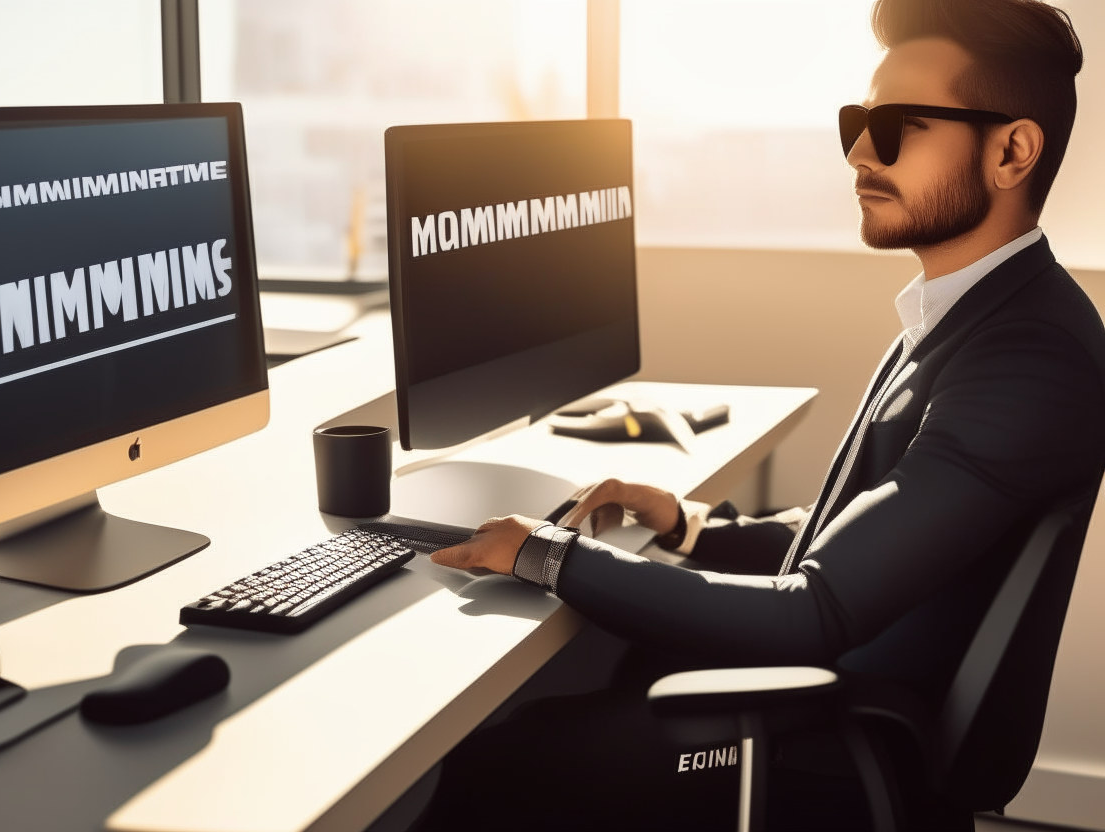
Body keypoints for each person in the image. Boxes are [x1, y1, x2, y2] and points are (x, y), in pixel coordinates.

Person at [414, 0, 1105, 829]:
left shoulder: (1028, 360)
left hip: (823, 741)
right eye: (856, 122)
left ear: (1012, 151)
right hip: (835, 695)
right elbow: (859, 541)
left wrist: (543, 551)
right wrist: (689, 526)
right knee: (584, 681)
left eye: (899, 127)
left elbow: (816, 611)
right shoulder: (980, 316)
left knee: (490, 763)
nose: (857, 153)